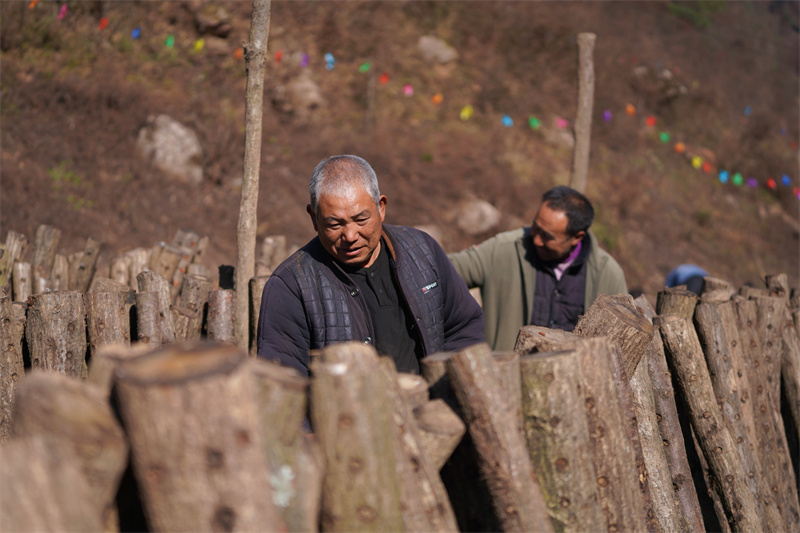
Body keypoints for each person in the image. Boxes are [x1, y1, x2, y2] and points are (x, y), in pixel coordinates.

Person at [257, 155, 485, 377]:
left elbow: (464, 327)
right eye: (334, 224)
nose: (350, 235)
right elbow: (282, 378)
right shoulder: (291, 286)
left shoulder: (422, 250)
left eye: (361, 220)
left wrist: (446, 389)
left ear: (381, 207)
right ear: (314, 218)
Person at [449, 185, 627, 351]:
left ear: (576, 237)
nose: (536, 240)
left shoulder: (608, 275)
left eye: (547, 236)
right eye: (536, 227)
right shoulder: (501, 250)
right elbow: (444, 272)